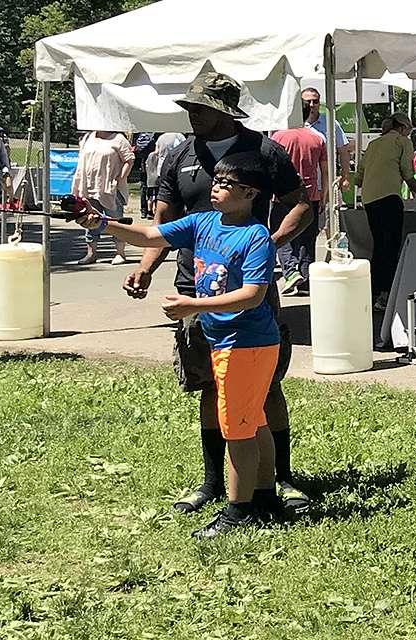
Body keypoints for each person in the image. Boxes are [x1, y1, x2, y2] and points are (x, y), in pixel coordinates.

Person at [123, 71, 314, 515]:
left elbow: (301, 204)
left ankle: (277, 479)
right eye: (189, 107)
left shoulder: (263, 151)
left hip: (249, 290)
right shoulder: (180, 153)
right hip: (194, 286)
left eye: (200, 108)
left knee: (264, 387)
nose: (191, 115)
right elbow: (162, 220)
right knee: (209, 383)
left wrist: (266, 247)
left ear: (224, 111)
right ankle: (214, 481)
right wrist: (146, 267)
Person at [77, 152, 282, 538]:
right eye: (216, 180)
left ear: (250, 193)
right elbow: (151, 235)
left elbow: (253, 295)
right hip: (228, 342)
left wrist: (194, 305)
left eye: (226, 184)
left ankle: (238, 512)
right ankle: (265, 495)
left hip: (247, 343)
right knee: (252, 422)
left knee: (237, 429)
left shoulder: (254, 236)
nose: (216, 187)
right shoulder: (204, 222)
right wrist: (103, 223)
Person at [355, 112, 416, 311]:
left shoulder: (374, 144)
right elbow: (408, 173)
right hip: (389, 198)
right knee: (390, 248)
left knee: (379, 246)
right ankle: (385, 293)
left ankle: (372, 291)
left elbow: (359, 177)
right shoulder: (402, 142)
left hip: (370, 199)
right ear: (403, 128)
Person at [271, 101, 328, 296]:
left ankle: (291, 271)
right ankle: (305, 277)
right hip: (310, 194)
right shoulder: (317, 138)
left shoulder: (277, 137)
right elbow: (325, 170)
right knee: (307, 238)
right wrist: (324, 195)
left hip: (282, 196)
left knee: (281, 234)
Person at [71, 131, 134, 265]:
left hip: (110, 188)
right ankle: (91, 253)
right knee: (89, 220)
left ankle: (120, 253)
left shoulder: (118, 138)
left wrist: (120, 178)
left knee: (116, 220)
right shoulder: (88, 137)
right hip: (88, 187)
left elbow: (129, 159)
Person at [301, 87, 352, 196]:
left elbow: (343, 151)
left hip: (326, 184)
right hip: (300, 185)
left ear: (319, 103)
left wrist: (345, 176)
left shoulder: (331, 123)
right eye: (307, 101)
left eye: (315, 101)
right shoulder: (293, 124)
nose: (311, 104)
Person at [145, 132, 186, 219]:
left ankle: (161, 215)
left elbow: (156, 152)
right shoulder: (179, 136)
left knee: (164, 193)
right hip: (176, 166)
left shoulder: (161, 137)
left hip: (162, 167)